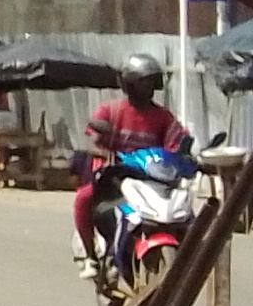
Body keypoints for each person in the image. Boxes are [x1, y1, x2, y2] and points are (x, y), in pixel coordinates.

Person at [73, 57, 192, 265]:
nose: (148, 85)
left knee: (187, 212)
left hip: (150, 177)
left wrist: (186, 155)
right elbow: (93, 141)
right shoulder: (109, 111)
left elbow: (176, 143)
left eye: (151, 80)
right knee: (84, 197)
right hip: (113, 176)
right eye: (142, 81)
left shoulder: (163, 117)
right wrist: (105, 152)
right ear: (128, 83)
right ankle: (90, 254)